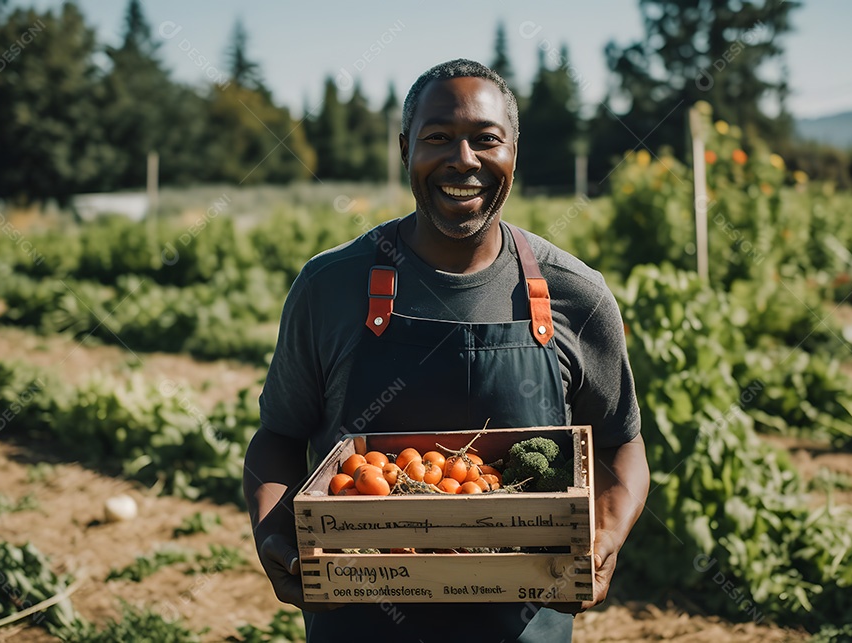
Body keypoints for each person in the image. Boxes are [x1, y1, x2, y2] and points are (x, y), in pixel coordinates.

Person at [243, 58, 649, 643]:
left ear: (514, 152)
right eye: (438, 138)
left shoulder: (575, 295)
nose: (463, 160)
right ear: (406, 149)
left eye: (486, 140)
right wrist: (276, 535)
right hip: (361, 622)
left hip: (525, 625)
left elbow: (620, 443)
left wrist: (604, 536)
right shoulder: (329, 288)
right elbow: (278, 436)